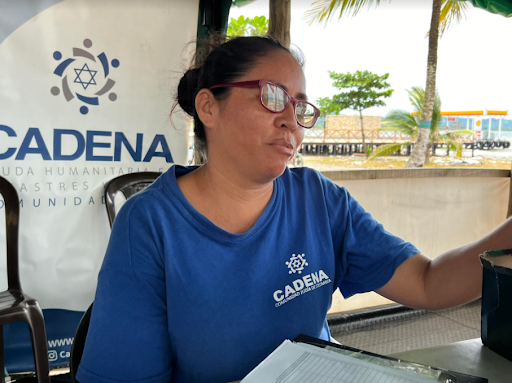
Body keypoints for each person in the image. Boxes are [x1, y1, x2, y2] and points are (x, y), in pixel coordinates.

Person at [76, 35, 512, 383]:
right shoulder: (150, 224)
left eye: (300, 106)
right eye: (271, 95)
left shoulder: (319, 201)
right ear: (209, 106)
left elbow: (427, 282)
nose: (290, 120)